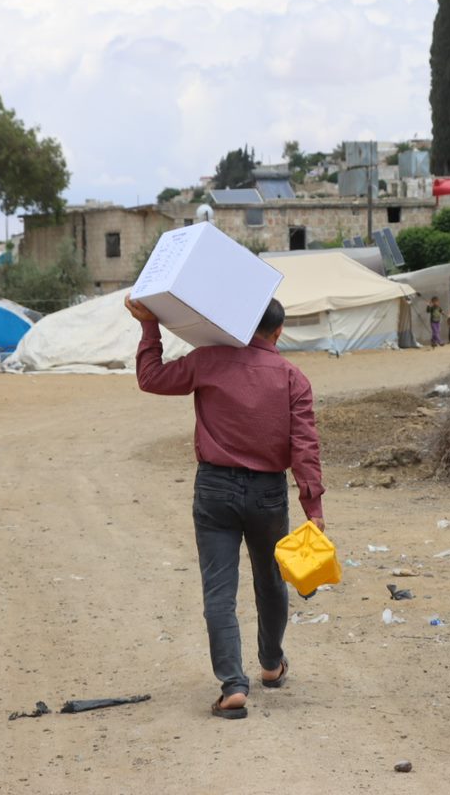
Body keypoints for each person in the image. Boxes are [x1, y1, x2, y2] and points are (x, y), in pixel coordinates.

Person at [124, 295, 325, 721]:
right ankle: (271, 665)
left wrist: (149, 326)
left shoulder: (210, 359)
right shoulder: (294, 378)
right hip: (269, 493)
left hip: (214, 488)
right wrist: (314, 509)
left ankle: (233, 686)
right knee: (271, 581)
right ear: (278, 332)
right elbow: (305, 447)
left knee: (219, 590)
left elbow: (151, 377)